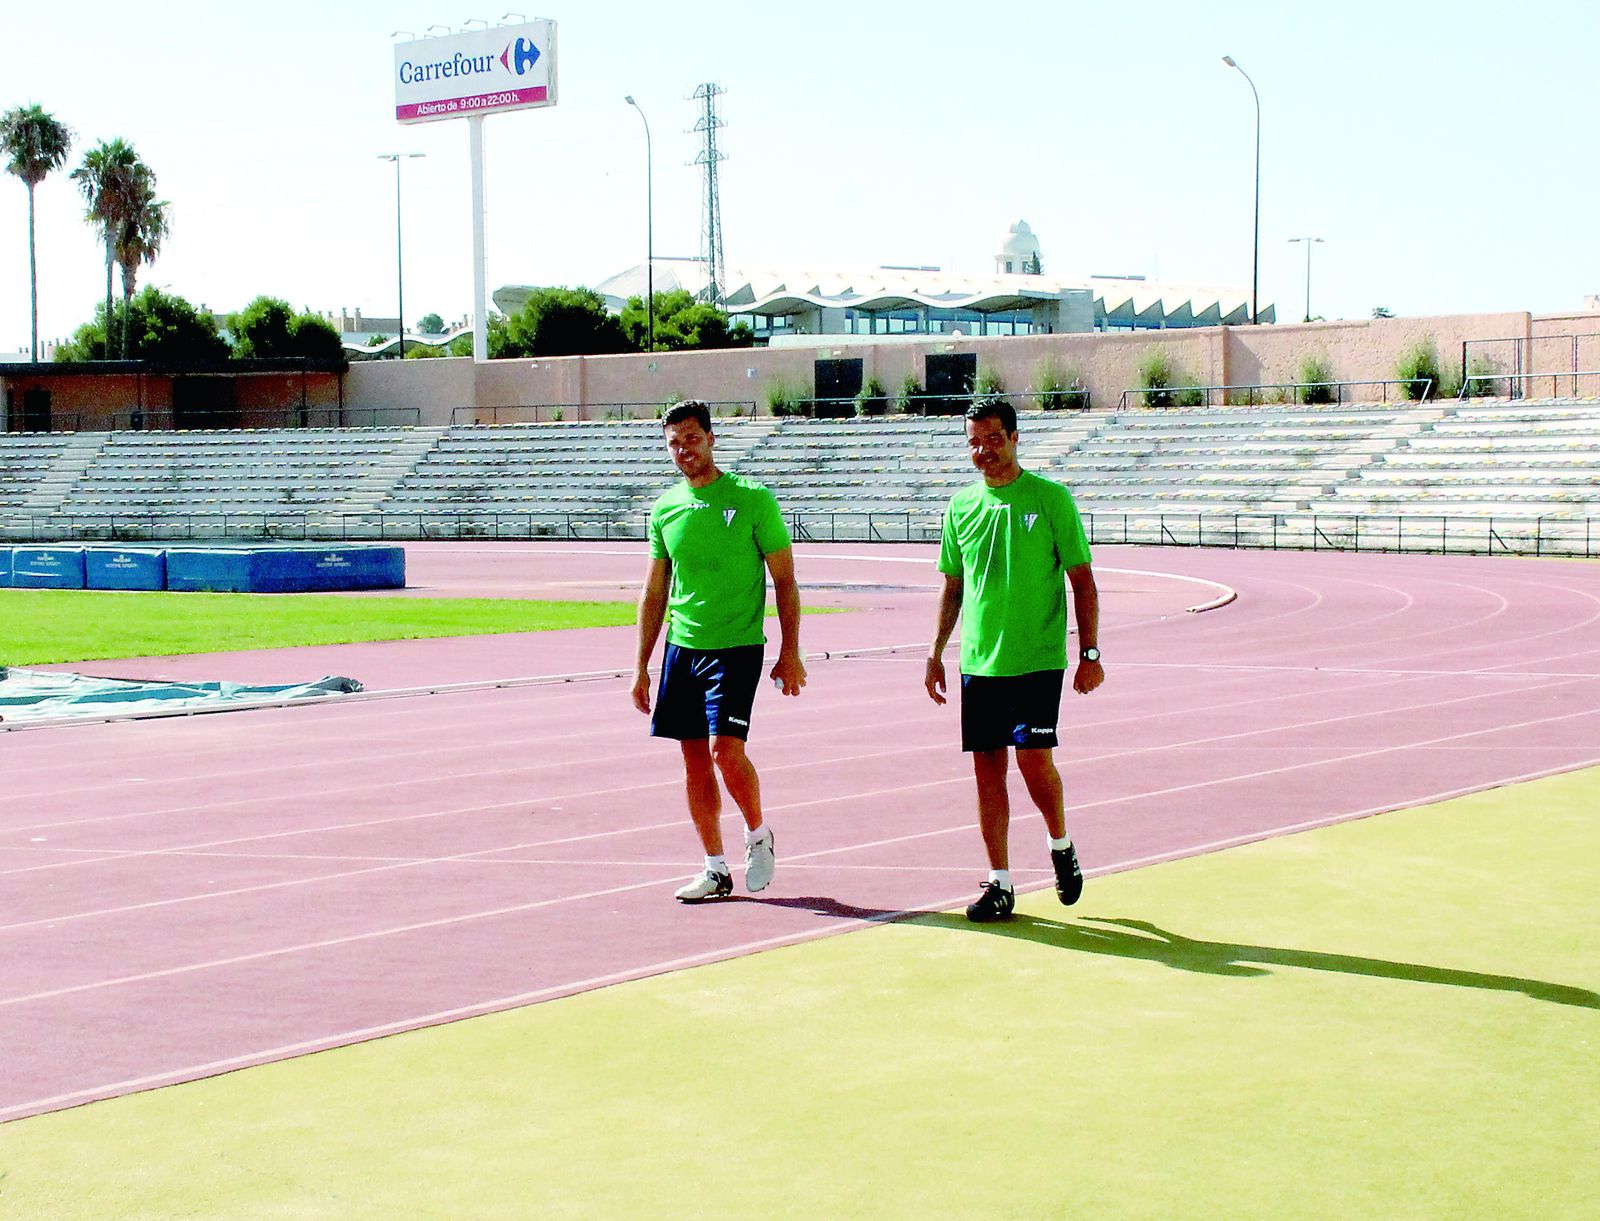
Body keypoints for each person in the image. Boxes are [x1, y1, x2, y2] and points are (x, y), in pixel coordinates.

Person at [925, 399, 1104, 923]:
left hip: (1036, 659)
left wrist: (1089, 653)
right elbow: (953, 585)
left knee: (1032, 759)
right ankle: (1000, 883)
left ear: (1015, 437)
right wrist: (936, 652)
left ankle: (1060, 843)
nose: (983, 450)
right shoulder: (960, 508)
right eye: (974, 441)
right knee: (987, 773)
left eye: (993, 439)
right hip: (978, 664)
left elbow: (1083, 581)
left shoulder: (1050, 500)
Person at [632, 399, 807, 902]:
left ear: (711, 438)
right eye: (674, 443)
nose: (683, 450)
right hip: (681, 649)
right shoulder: (666, 509)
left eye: (691, 438)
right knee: (693, 761)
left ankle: (758, 835)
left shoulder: (753, 500)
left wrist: (790, 651)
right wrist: (641, 667)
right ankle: (714, 867)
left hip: (736, 648)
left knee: (724, 752)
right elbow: (654, 592)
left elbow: (786, 582)